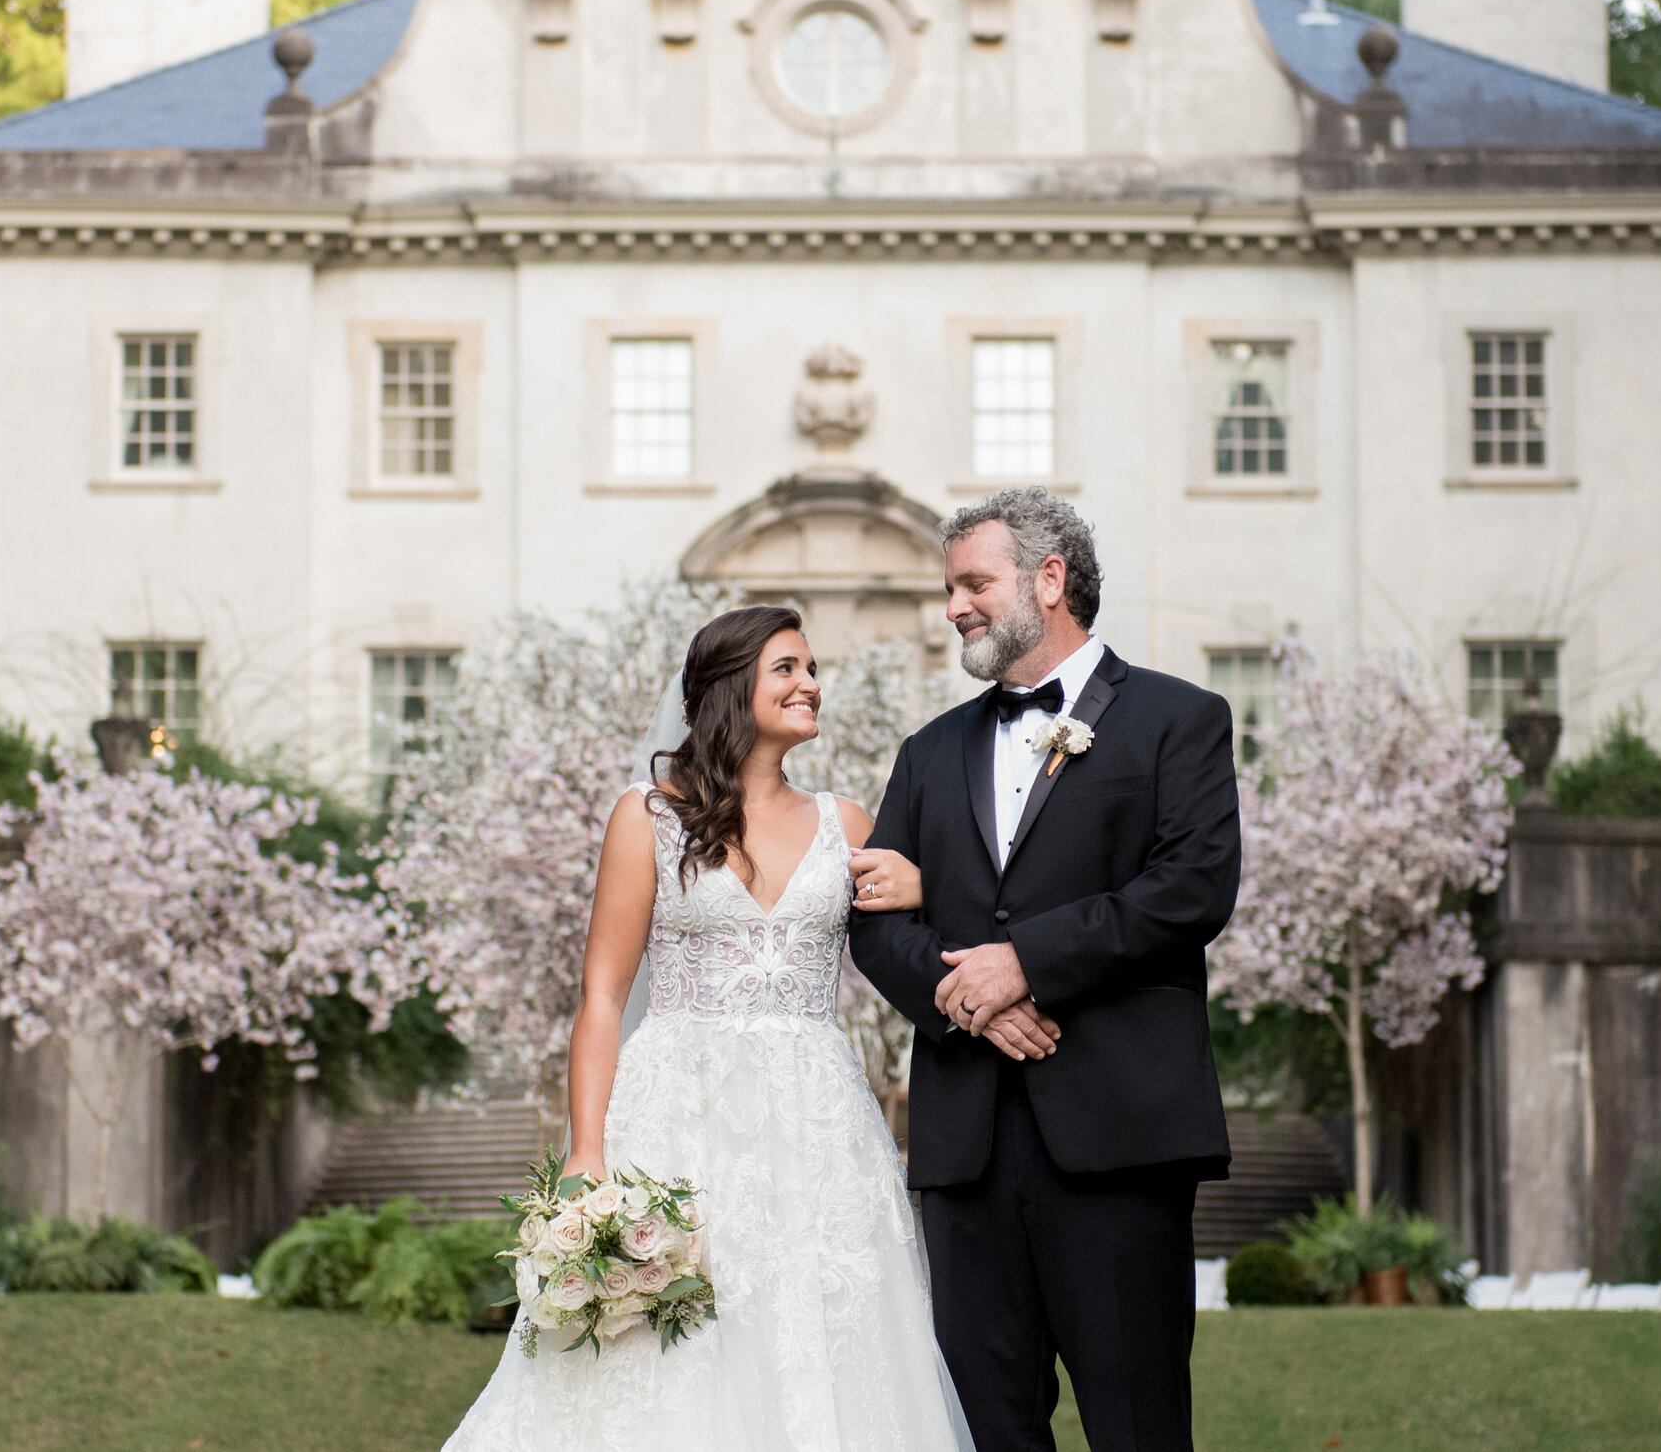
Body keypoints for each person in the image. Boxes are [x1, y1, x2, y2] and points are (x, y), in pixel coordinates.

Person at [442, 605, 975, 1452]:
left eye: (811, 668)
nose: (811, 684)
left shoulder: (847, 825)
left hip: (814, 1126)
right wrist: (586, 1152)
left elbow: (921, 942)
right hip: (675, 1116)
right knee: (664, 1352)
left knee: (822, 1335)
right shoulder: (647, 815)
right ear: (733, 689)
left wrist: (922, 886)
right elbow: (604, 996)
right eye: (788, 669)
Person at [847, 488, 1242, 1452]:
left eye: (974, 583)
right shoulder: (927, 753)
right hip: (965, 1151)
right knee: (987, 1430)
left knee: (1137, 1428)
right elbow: (870, 920)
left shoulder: (1178, 720)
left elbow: (1192, 888)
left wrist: (1025, 963)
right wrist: (971, 1002)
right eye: (950, 589)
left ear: (1049, 579)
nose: (954, 607)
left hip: (1118, 1139)